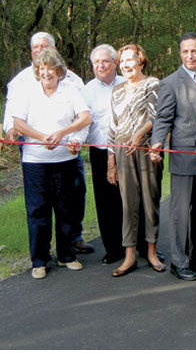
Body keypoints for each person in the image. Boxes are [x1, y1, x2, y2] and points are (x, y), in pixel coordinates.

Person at [3, 32, 94, 255]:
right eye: (35, 47)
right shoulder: (22, 82)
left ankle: (74, 239)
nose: (39, 51)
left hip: (68, 152)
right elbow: (12, 116)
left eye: (44, 46)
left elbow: (83, 117)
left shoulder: (72, 81)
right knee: (39, 205)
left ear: (55, 50)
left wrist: (74, 138)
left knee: (72, 198)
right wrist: (10, 130)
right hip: (35, 154)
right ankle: (40, 257)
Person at [150, 32, 196, 281]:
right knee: (180, 214)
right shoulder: (170, 83)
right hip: (183, 157)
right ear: (180, 53)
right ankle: (179, 262)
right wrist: (157, 142)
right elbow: (163, 118)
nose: (189, 55)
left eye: (194, 51)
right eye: (185, 51)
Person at [107, 44, 165, 277]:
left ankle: (152, 251)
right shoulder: (117, 90)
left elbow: (156, 115)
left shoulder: (153, 83)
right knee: (128, 203)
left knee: (150, 202)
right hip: (123, 150)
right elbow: (112, 126)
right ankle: (129, 255)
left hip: (147, 148)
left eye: (130, 60)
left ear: (141, 61)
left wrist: (139, 134)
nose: (126, 65)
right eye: (122, 62)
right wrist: (110, 162)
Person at [83, 44, 126, 265]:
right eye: (96, 63)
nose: (100, 66)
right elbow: (83, 121)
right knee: (105, 202)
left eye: (105, 61)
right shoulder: (87, 89)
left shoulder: (127, 83)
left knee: (130, 200)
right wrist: (76, 140)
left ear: (114, 63)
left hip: (127, 151)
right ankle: (113, 248)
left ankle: (135, 246)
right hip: (100, 152)